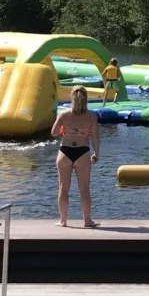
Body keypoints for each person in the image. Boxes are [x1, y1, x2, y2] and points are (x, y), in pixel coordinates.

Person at [51, 87, 100, 228]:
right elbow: (95, 138)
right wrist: (97, 153)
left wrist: (65, 131)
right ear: (86, 99)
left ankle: (63, 221)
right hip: (82, 152)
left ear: (72, 98)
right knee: (84, 188)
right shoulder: (91, 117)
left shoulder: (63, 114)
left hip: (65, 152)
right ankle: (87, 221)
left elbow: (54, 132)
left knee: (63, 188)